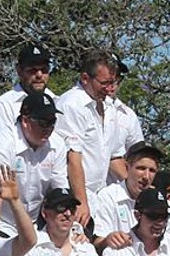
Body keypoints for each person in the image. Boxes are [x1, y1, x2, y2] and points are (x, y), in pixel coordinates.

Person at [0, 90, 81, 233]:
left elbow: (60, 192)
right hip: (4, 224)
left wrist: (74, 231)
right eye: (43, 123)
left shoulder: (57, 144)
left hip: (37, 223)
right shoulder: (2, 144)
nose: (49, 128)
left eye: (52, 122)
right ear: (25, 121)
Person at [54, 49, 138, 202]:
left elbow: (114, 156)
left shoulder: (109, 107)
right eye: (104, 83)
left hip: (99, 195)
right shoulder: (72, 104)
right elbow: (73, 157)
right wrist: (81, 202)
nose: (109, 88)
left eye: (112, 82)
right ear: (85, 78)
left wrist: (136, 186)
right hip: (72, 194)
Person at [90, 141, 170, 245]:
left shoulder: (167, 206)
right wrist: (108, 241)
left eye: (152, 170)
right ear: (127, 167)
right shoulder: (108, 196)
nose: (146, 176)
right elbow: (97, 242)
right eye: (141, 168)